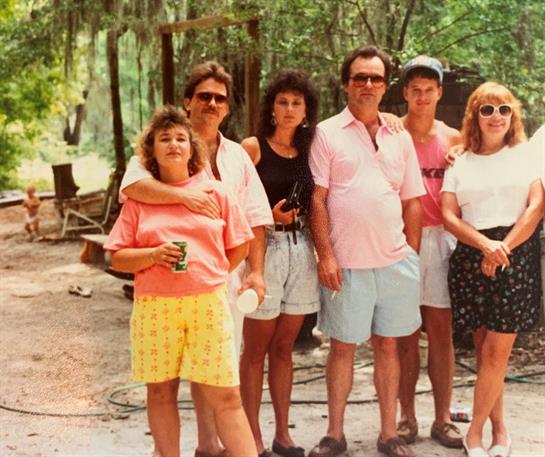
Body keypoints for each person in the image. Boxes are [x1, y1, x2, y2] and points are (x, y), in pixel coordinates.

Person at [119, 61, 272, 457]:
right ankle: (192, 447)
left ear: (228, 107)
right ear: (188, 101)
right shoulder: (150, 158)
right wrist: (185, 196)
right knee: (165, 385)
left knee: (220, 376)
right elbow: (133, 192)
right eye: (204, 96)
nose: (212, 103)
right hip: (163, 292)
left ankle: (213, 446)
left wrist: (252, 271)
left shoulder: (237, 157)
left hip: (218, 282)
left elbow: (254, 219)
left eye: (220, 98)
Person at [308, 45, 425, 457]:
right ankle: (334, 435)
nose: (368, 85)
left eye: (376, 78)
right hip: (347, 264)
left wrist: (411, 253)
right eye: (360, 77)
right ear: (346, 84)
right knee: (342, 347)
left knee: (388, 346)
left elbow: (412, 201)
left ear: (385, 86)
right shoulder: (326, 133)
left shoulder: (399, 135)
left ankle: (388, 433)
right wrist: (326, 255)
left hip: (395, 263)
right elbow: (317, 199)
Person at [441, 82, 544, 457]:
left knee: (497, 354)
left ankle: (473, 435)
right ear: (475, 116)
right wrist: (485, 246)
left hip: (515, 256)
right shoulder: (460, 161)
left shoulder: (526, 155)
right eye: (487, 109)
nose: (496, 116)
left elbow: (536, 207)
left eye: (503, 109)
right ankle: (500, 431)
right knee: (485, 352)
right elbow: (448, 215)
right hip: (473, 257)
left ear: (513, 114)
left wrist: (502, 248)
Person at [239, 69, 320, 457]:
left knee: (286, 347)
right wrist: (267, 217)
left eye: (296, 103)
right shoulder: (253, 148)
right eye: (282, 102)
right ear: (271, 107)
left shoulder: (310, 150)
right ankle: (251, 437)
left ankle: (283, 434)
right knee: (256, 349)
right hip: (264, 249)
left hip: (301, 248)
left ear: (306, 111)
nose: (289, 109)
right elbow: (232, 203)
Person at [395, 56, 463, 449]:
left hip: (441, 238)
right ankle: (406, 417)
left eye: (429, 90)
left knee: (440, 331)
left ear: (439, 93)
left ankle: (443, 418)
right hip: (401, 239)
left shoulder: (454, 139)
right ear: (405, 92)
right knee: (404, 332)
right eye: (415, 89)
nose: (422, 97)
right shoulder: (390, 133)